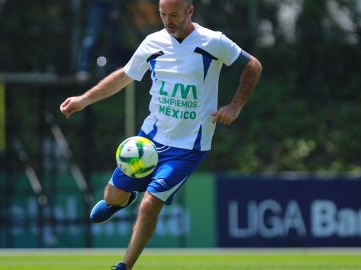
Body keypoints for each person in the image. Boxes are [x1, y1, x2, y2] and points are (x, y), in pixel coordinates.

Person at [60, 0, 262, 269]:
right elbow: (124, 76)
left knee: (150, 204)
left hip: (188, 148)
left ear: (190, 11)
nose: (168, 21)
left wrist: (235, 106)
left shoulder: (213, 42)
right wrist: (84, 99)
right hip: (149, 140)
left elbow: (253, 66)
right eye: (163, 14)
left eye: (175, 15)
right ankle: (121, 200)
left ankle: (124, 266)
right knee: (112, 197)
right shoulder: (153, 42)